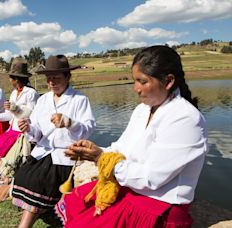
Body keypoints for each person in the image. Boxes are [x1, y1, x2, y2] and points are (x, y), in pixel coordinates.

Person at [56, 45, 208, 227]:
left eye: (142, 82)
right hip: (133, 189)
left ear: (168, 81)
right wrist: (94, 151)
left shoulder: (186, 119)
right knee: (77, 201)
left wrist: (101, 158)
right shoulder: (142, 110)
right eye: (134, 81)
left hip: (159, 205)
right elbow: (121, 149)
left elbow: (152, 178)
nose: (135, 89)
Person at [11, 55, 96, 228]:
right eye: (48, 79)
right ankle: (47, 214)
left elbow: (88, 129)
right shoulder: (43, 100)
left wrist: (69, 123)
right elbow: (37, 133)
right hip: (44, 150)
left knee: (38, 180)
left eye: (56, 78)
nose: (51, 83)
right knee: (24, 176)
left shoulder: (79, 100)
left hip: (67, 153)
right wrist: (28, 128)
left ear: (67, 77)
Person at [0, 57, 39, 168]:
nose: (9, 80)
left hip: (23, 133)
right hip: (12, 131)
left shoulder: (31, 93)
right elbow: (10, 115)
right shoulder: (14, 93)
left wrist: (16, 109)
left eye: (10, 78)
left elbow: (32, 115)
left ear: (16, 79)